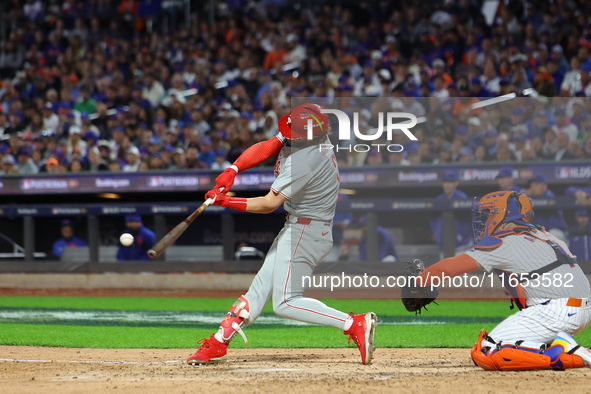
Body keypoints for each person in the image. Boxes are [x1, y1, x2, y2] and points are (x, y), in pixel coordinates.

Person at [186, 104, 377, 366]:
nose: (287, 136)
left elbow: (267, 204)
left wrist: (225, 201)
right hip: (299, 228)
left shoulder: (307, 159)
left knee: (285, 302)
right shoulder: (311, 136)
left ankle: (353, 323)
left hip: (306, 231)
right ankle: (219, 343)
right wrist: (233, 170)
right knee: (257, 292)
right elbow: (268, 145)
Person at [405, 191, 591, 371]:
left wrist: (419, 284)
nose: (485, 220)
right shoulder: (547, 236)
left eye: (488, 214)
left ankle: (568, 353)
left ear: (502, 215)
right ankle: (561, 346)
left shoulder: (505, 241)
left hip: (555, 312)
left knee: (488, 349)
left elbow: (450, 267)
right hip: (582, 311)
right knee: (520, 343)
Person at [430, 170, 473, 256]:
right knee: (444, 269)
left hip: (462, 246)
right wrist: (436, 235)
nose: (447, 185)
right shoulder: (439, 198)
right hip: (444, 246)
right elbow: (433, 219)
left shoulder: (462, 198)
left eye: (450, 182)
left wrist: (460, 236)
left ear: (456, 183)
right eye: (445, 182)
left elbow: (469, 220)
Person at [523, 174, 568, 242]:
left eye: (537, 184)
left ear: (544, 186)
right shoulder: (530, 197)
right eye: (532, 185)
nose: (533, 187)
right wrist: (523, 196)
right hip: (540, 234)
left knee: (552, 234)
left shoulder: (549, 195)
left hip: (557, 233)